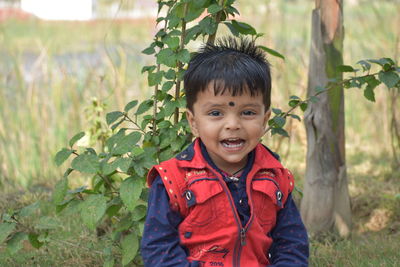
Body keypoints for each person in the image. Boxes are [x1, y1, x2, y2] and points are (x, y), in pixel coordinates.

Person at [140, 37, 309, 267]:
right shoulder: (173, 181)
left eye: (248, 112)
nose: (233, 124)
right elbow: (159, 249)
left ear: (265, 119)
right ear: (193, 121)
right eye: (216, 113)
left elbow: (292, 245)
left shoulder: (277, 178)